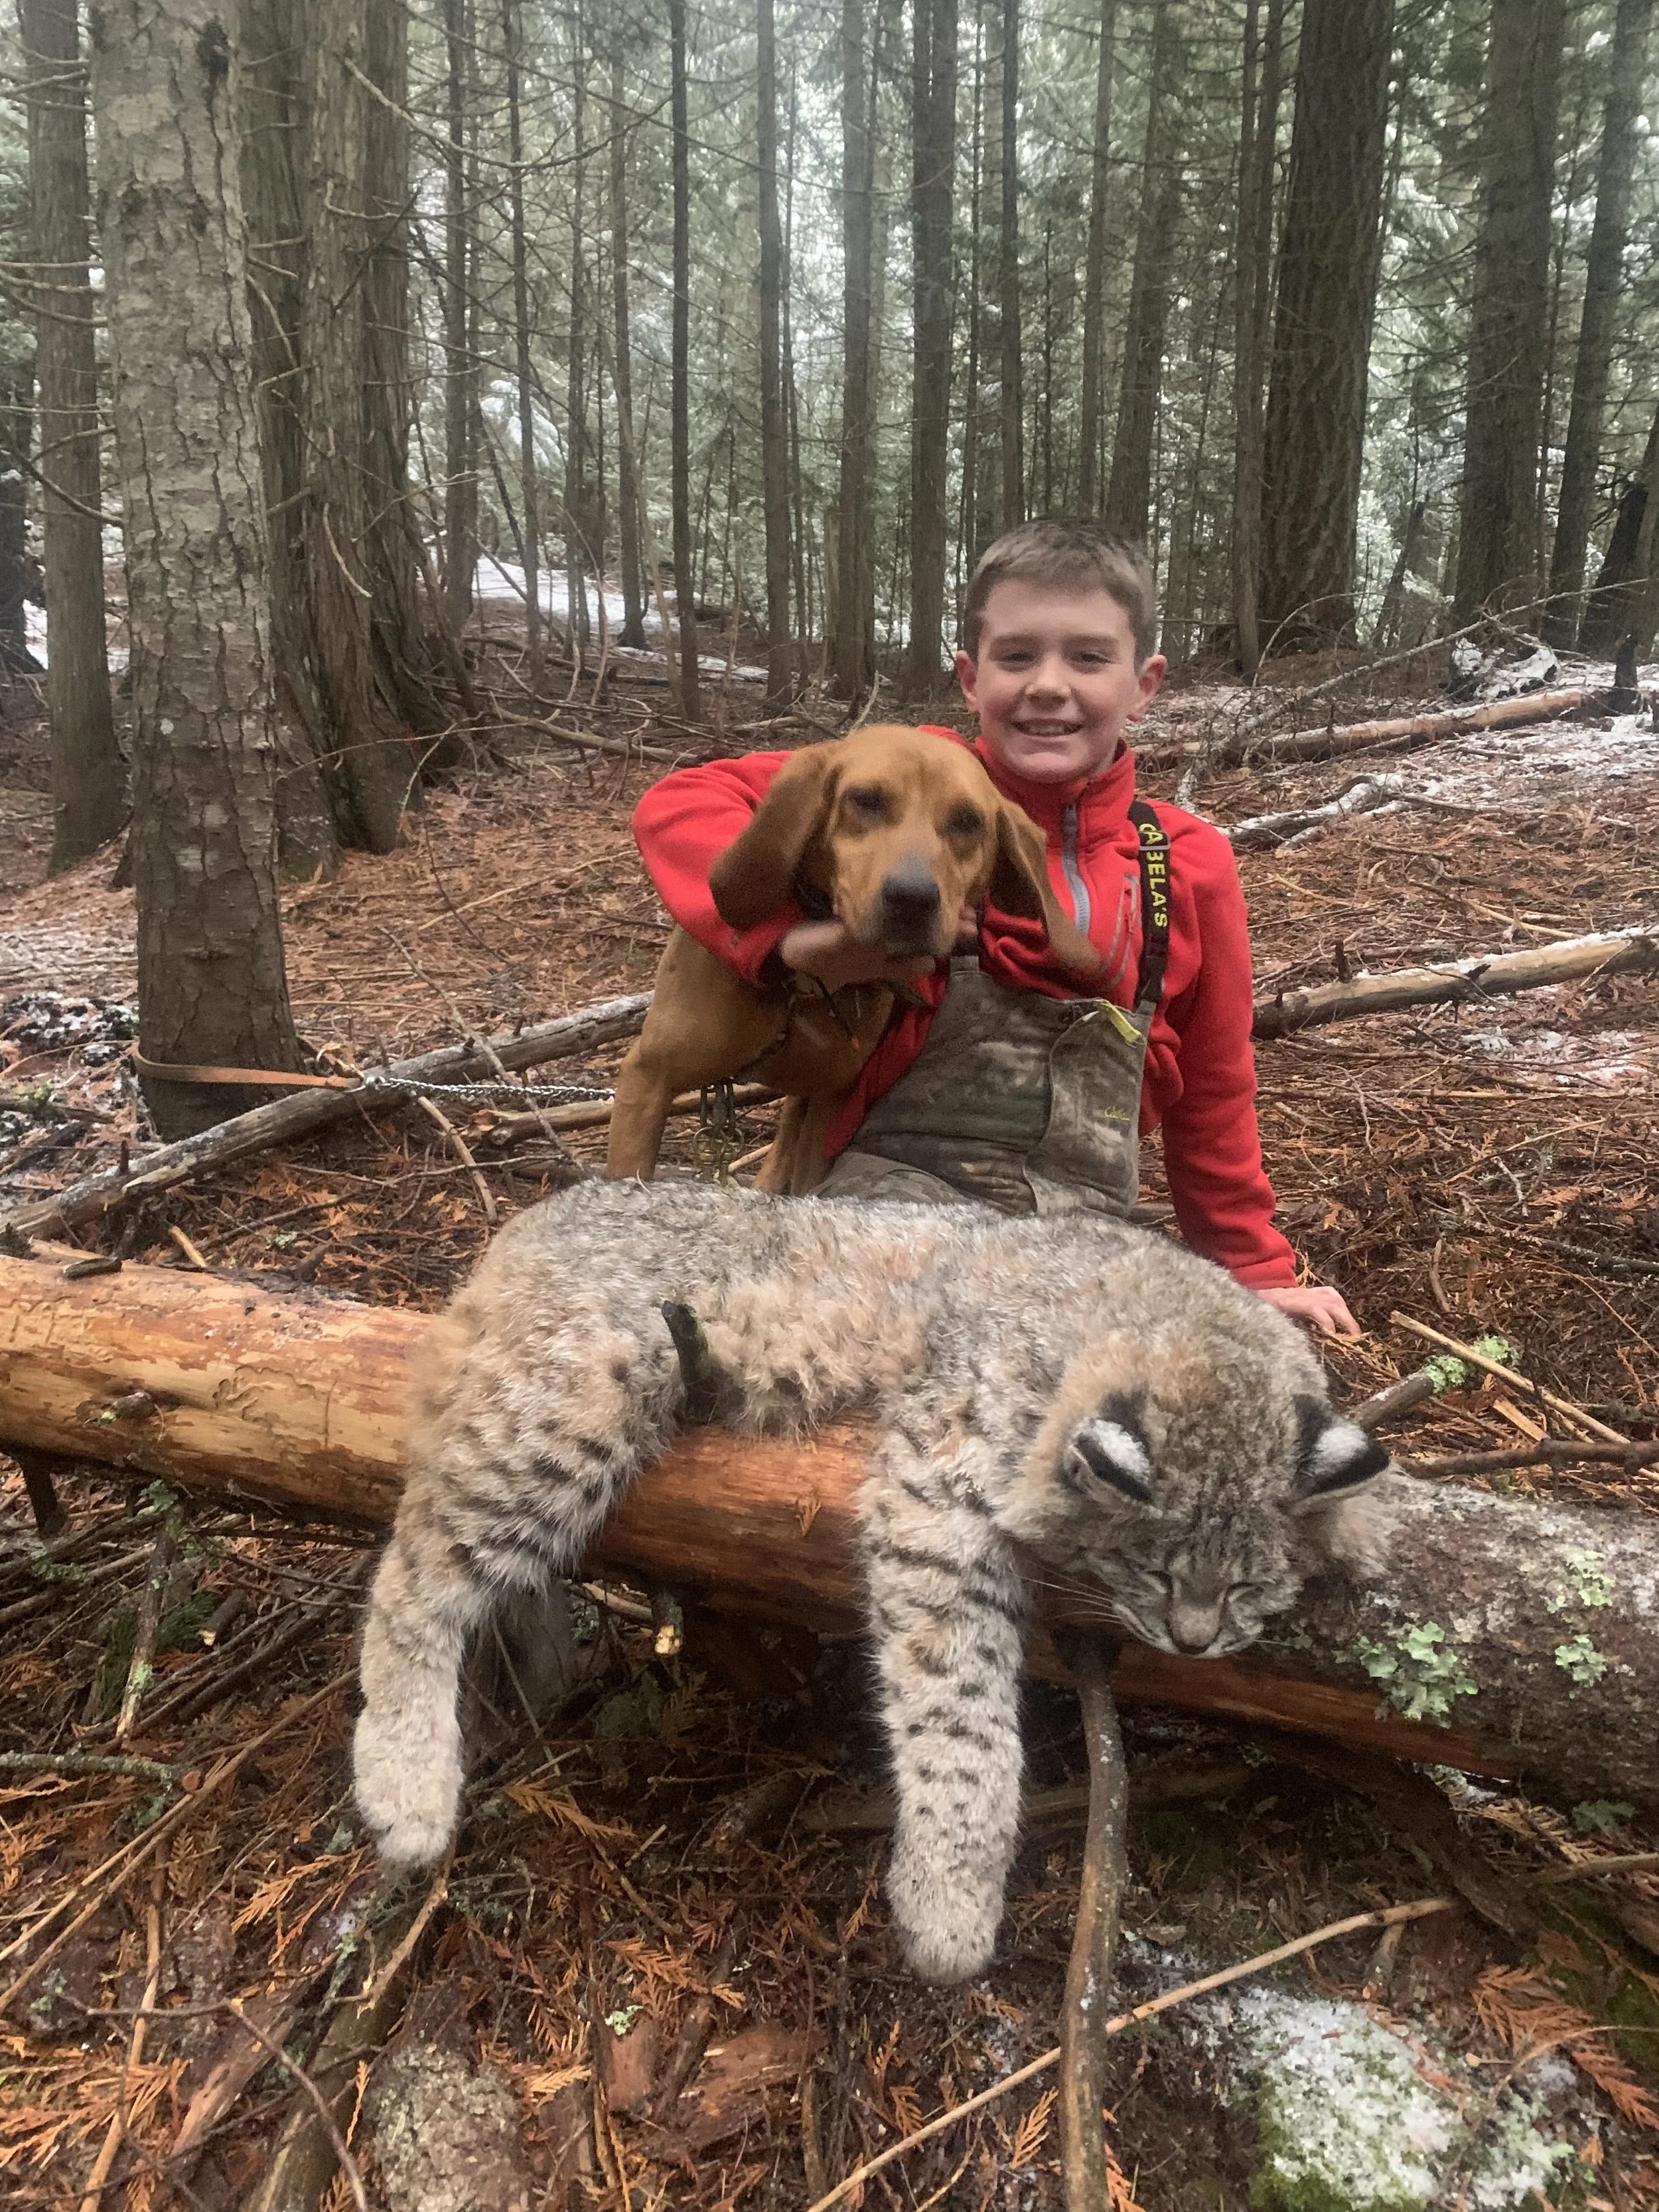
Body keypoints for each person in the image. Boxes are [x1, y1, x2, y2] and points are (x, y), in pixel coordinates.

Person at [632, 518, 1358, 1337]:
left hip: (1074, 1237)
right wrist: (784, 945)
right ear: (971, 679)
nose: (1048, 685)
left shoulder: (1184, 865)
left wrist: (1252, 1269)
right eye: (1017, 658)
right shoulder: (905, 772)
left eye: (1087, 657)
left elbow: (1215, 1088)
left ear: (1144, 683)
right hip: (871, 1215)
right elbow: (681, 805)